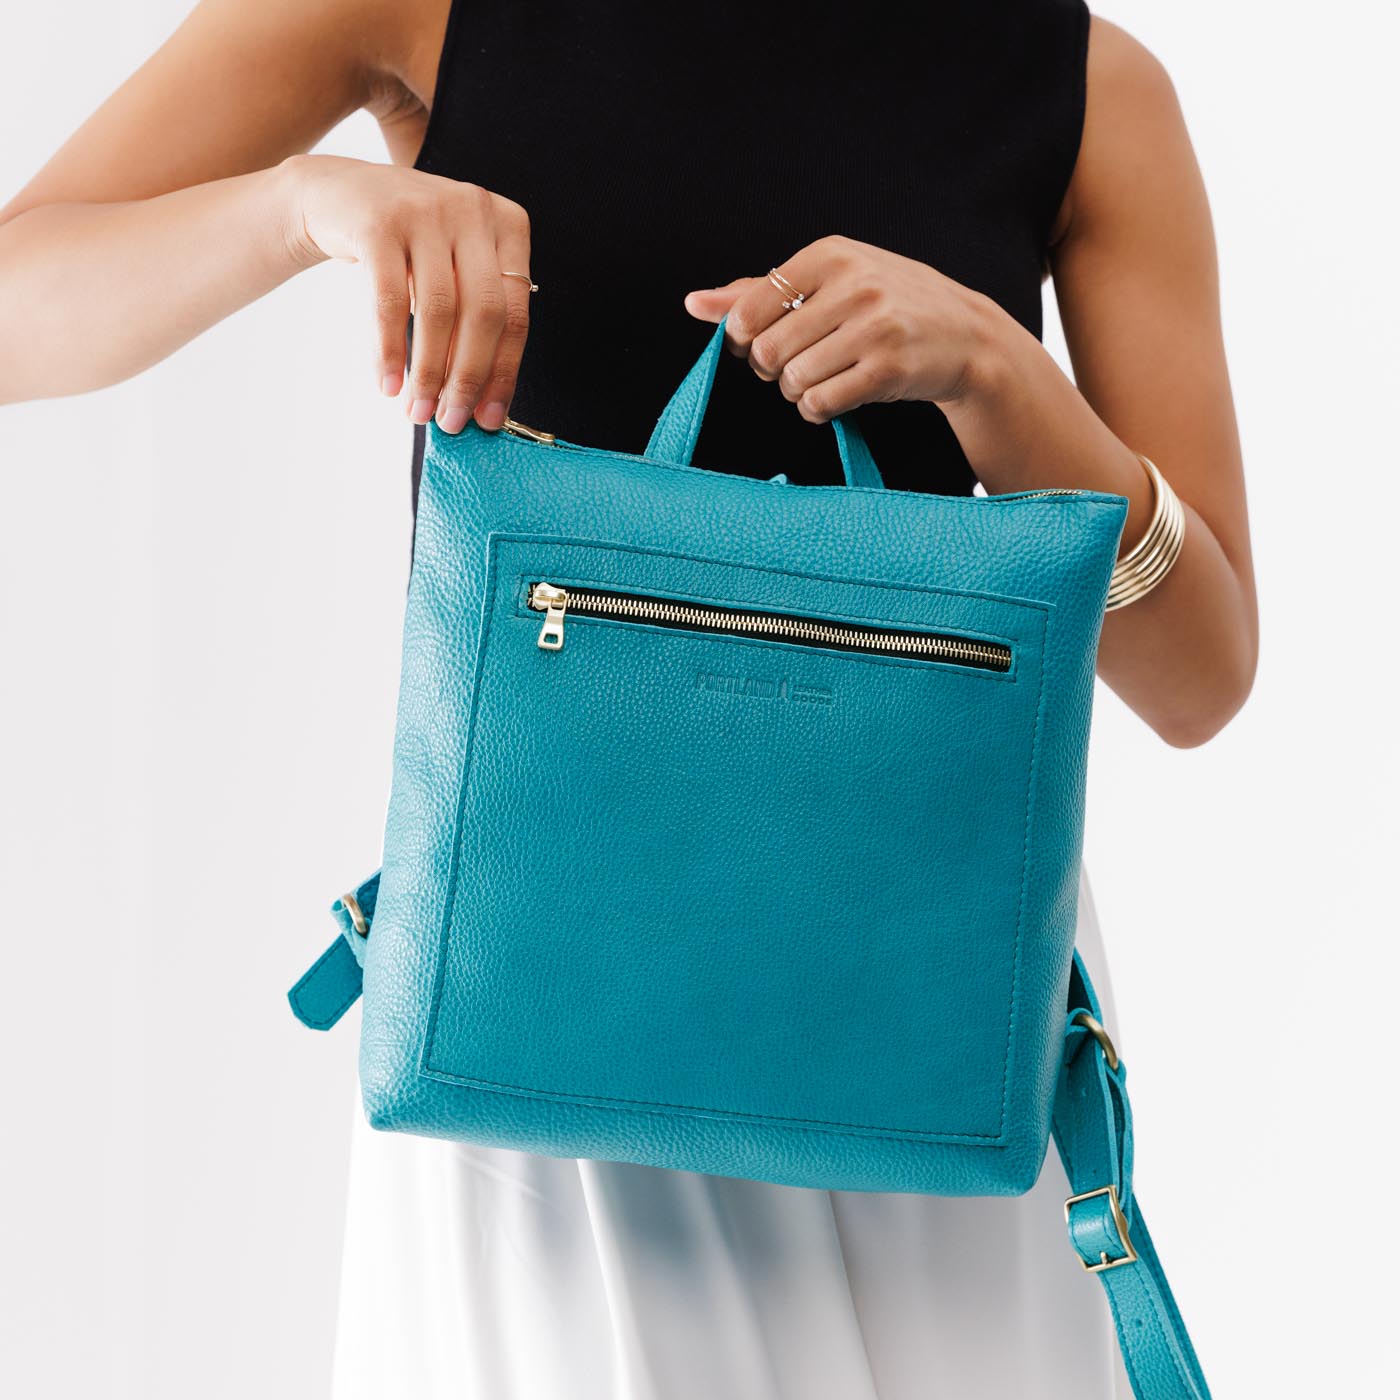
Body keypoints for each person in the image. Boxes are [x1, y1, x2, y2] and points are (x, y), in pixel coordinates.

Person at [0, 2, 1257, 1396]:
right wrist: (303, 207)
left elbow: (1202, 675)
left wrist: (1003, 379)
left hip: (926, 1003)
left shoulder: (1084, 85)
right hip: (547, 993)